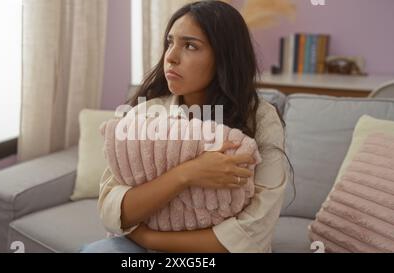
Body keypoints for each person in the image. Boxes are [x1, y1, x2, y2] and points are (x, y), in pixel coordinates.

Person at [81, 0, 291, 253]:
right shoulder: (146, 113)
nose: (170, 57)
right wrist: (188, 173)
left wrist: (149, 240)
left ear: (224, 56)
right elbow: (113, 209)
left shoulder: (261, 120)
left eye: (190, 45)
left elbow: (252, 233)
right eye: (170, 43)